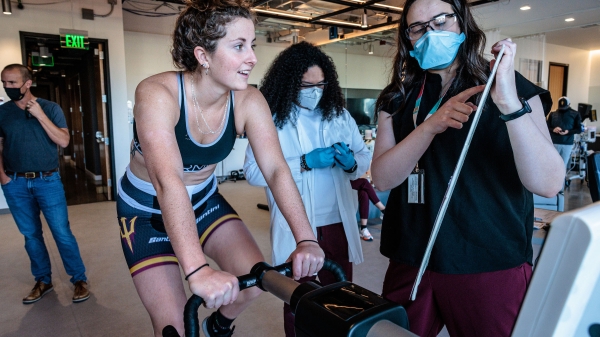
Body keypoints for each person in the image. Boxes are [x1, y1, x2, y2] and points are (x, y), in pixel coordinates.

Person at [116, 1, 324, 336]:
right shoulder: (157, 93)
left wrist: (306, 238)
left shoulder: (248, 101)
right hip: (145, 211)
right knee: (173, 328)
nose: (253, 57)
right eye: (239, 46)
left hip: (203, 202)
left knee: (255, 282)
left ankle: (218, 327)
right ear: (203, 55)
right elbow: (168, 183)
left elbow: (276, 170)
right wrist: (197, 269)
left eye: (252, 46)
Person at [371, 0, 565, 336]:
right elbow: (384, 177)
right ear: (408, 39)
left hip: (489, 260)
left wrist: (506, 101)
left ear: (462, 23)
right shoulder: (398, 97)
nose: (430, 34)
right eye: (417, 28)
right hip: (412, 258)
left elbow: (549, 183)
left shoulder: (507, 85)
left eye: (441, 21)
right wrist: (430, 126)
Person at [244, 41, 371, 337]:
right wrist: (304, 162)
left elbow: (363, 155)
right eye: (306, 85)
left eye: (321, 84)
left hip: (338, 221)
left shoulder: (339, 115)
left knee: (342, 295)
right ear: (289, 83)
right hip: (298, 227)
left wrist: (352, 163)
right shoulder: (272, 119)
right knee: (299, 298)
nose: (315, 91)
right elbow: (252, 173)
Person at [0, 64, 90, 304]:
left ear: (27, 83)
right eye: (4, 83)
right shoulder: (3, 112)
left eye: (12, 83)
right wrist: (3, 177)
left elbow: (63, 141)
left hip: (47, 181)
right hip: (15, 183)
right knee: (31, 235)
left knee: (61, 232)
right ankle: (43, 280)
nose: (8, 88)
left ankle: (79, 280)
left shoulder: (50, 108)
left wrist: (40, 115)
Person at [547, 96, 582, 169]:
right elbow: (546, 127)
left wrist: (568, 132)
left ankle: (562, 180)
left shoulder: (575, 114)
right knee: (553, 165)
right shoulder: (553, 114)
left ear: (569, 104)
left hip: (567, 143)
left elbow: (579, 129)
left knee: (563, 165)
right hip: (554, 143)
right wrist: (553, 129)